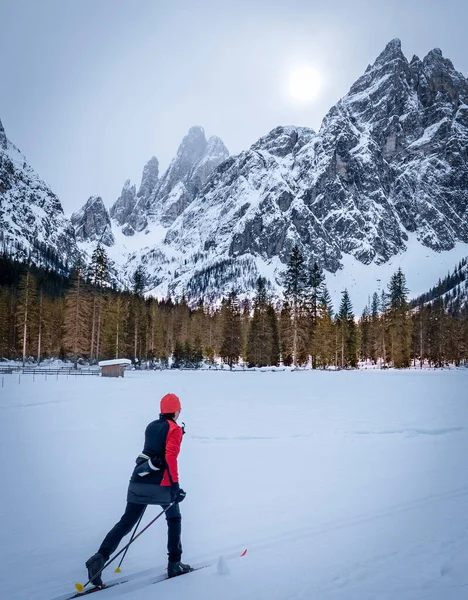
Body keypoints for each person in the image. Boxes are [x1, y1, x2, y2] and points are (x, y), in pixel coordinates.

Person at [85, 393, 191, 585]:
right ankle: (174, 563)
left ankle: (99, 557)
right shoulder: (174, 429)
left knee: (126, 521)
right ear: (176, 411)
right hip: (160, 484)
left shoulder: (151, 426)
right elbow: (170, 458)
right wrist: (175, 486)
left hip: (139, 478)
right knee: (174, 518)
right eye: (179, 409)